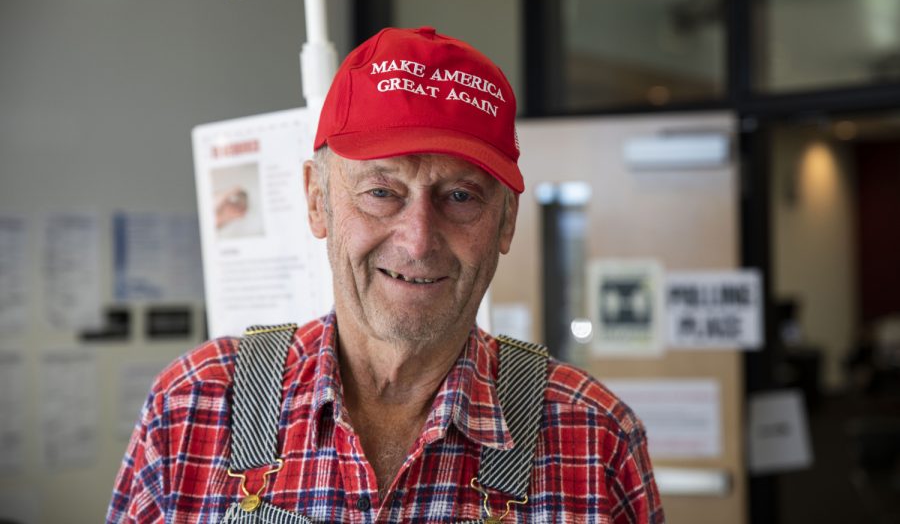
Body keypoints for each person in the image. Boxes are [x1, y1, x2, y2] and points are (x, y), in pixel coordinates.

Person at [108, 27, 664, 523]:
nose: (418, 239)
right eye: (381, 192)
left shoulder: (593, 439)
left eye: (460, 196)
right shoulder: (193, 409)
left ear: (506, 222)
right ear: (317, 200)